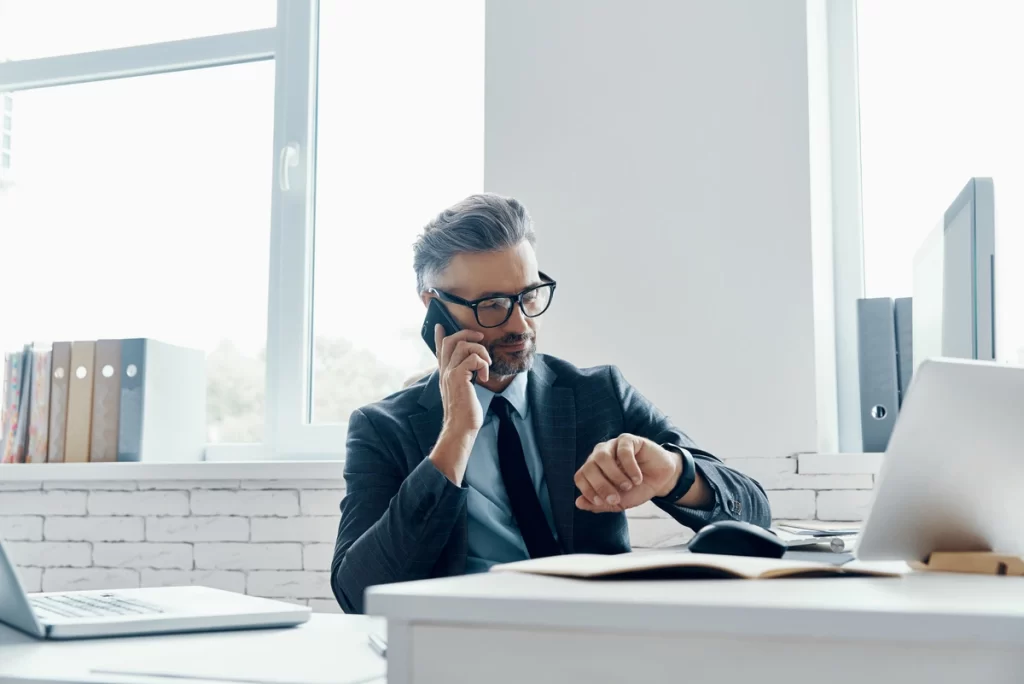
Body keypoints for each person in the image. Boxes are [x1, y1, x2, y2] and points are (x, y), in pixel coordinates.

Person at [330, 194, 771, 614]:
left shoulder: (598, 394)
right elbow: (357, 594)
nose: (521, 323)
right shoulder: (382, 427)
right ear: (434, 307)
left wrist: (673, 474)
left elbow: (754, 511)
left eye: (529, 295)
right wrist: (456, 437)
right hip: (463, 650)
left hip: (599, 645)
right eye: (493, 305)